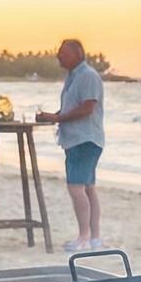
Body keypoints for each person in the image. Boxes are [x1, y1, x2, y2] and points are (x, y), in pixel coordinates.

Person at [35, 38, 104, 251]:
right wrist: (52, 116)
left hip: (85, 139)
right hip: (76, 139)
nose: (59, 56)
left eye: (63, 53)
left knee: (76, 188)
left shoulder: (87, 76)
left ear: (78, 54)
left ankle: (84, 237)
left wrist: (58, 119)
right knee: (88, 188)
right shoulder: (73, 77)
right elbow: (72, 107)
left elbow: (87, 108)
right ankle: (94, 237)